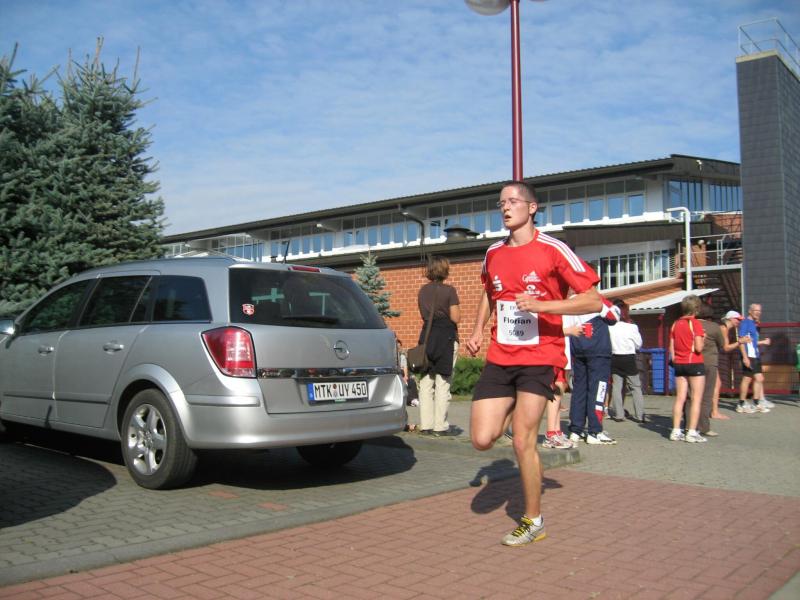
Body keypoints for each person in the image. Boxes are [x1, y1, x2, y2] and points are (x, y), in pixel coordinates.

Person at [465, 180, 605, 547]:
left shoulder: (553, 249)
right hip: (501, 356)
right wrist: (477, 329)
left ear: (532, 208)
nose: (505, 207)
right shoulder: (493, 253)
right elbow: (489, 292)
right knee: (481, 439)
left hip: (541, 356)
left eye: (512, 201)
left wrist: (543, 306)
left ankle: (533, 521)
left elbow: (593, 300)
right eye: (501, 202)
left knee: (523, 440)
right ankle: (515, 403)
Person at [416, 256, 460, 436]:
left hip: (426, 338)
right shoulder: (449, 291)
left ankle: (426, 425)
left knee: (426, 382)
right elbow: (456, 317)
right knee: (443, 382)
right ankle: (440, 426)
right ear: (444, 270)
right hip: (446, 338)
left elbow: (424, 315)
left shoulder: (422, 291)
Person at [565, 302, 619, 445]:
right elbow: (614, 317)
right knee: (598, 390)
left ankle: (576, 430)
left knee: (579, 390)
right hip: (598, 349)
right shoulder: (595, 300)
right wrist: (603, 301)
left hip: (578, 348)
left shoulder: (570, 302)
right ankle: (595, 431)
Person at [669, 294, 706, 443]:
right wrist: (703, 338)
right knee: (696, 398)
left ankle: (675, 430)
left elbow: (671, 348)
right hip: (694, 362)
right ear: (696, 308)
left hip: (679, 363)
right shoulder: (695, 323)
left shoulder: (675, 324)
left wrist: (676, 359)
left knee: (680, 398)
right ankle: (691, 432)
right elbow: (698, 348)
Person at [609, 299, 646, 424]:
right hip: (629, 357)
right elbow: (638, 344)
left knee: (617, 387)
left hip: (614, 357)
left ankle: (619, 414)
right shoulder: (632, 327)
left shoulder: (610, 327)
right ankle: (639, 415)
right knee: (635, 387)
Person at [737, 303, 771, 414]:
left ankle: (756, 403)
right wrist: (745, 357)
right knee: (747, 378)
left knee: (759, 378)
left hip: (755, 355)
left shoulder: (753, 324)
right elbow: (741, 341)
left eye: (760, 311)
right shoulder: (745, 323)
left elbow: (752, 341)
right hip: (749, 355)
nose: (758, 312)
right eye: (756, 310)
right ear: (750, 311)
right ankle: (741, 404)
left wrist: (763, 342)